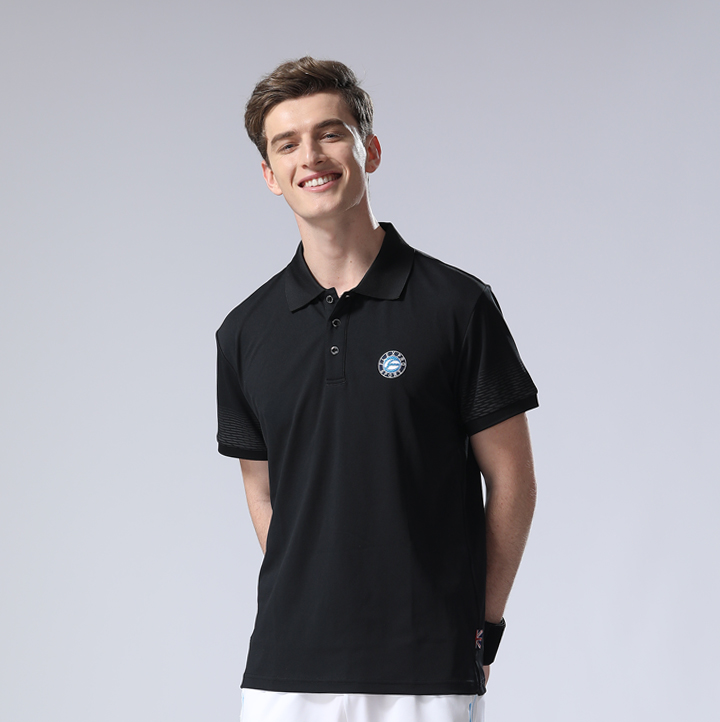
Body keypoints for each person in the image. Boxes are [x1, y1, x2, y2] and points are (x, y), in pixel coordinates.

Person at [216, 57, 538, 722]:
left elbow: (512, 481)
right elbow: (262, 490)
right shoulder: (244, 332)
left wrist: (483, 626)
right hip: (286, 673)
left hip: (426, 669)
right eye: (287, 144)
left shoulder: (458, 307)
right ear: (270, 175)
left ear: (371, 150)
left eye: (330, 133)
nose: (311, 156)